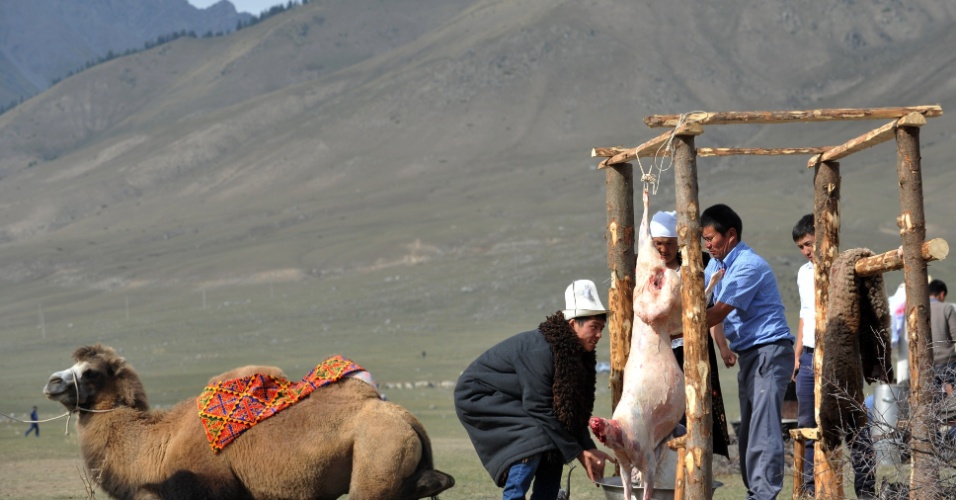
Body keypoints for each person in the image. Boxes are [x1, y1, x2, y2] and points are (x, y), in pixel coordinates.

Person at [454, 279, 616, 500]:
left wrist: (587, 447)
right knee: (535, 436)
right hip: (478, 395)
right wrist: (579, 453)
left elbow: (570, 413)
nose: (598, 335)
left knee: (553, 437)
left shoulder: (575, 358)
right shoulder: (543, 350)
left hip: (513, 397)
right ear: (572, 325)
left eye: (601, 328)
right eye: (593, 327)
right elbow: (538, 406)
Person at [701, 203, 794, 500]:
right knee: (748, 429)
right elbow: (703, 304)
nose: (707, 245)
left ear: (730, 234)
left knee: (763, 426)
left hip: (769, 351)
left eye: (711, 238)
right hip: (749, 356)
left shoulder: (748, 265)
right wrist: (724, 347)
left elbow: (715, 313)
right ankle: (755, 491)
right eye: (704, 239)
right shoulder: (716, 265)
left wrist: (674, 326)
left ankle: (763, 495)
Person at [791, 213, 875, 498]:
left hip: (842, 355)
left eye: (810, 243)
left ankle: (866, 490)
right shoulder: (803, 273)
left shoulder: (848, 268)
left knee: (853, 422)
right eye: (801, 246)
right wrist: (797, 353)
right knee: (807, 425)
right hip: (809, 357)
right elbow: (805, 314)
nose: (806, 251)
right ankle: (809, 490)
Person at [649, 210, 733, 458]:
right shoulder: (647, 272)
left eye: (670, 244)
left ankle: (696, 464)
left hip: (693, 348)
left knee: (696, 407)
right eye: (659, 244)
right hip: (660, 352)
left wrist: (723, 347)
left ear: (679, 244)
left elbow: (710, 311)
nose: (664, 250)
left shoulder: (697, 267)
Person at [929, 279, 956, 396]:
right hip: (948, 363)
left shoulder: (919, 310)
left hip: (928, 364)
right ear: (941, 294)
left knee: (934, 400)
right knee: (951, 399)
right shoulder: (947, 308)